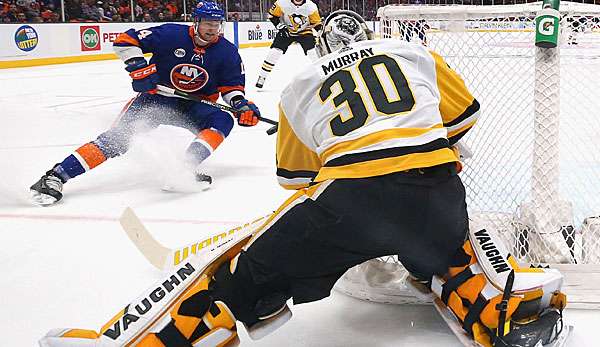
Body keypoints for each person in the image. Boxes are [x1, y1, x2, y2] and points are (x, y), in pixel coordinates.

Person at [40, 11, 568, 347]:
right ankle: (500, 311)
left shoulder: (301, 84)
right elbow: (462, 121)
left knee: (237, 275)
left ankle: (164, 337)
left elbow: (297, 178)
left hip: (349, 201)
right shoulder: (415, 53)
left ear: (320, 45)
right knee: (448, 257)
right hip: (437, 188)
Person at [29, 1, 261, 206]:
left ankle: (183, 168)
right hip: (155, 100)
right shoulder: (171, 34)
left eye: (217, 23)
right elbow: (125, 41)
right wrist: (138, 68)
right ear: (196, 22)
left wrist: (241, 106)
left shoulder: (228, 52)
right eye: (208, 23)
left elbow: (232, 88)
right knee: (117, 140)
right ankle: (56, 176)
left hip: (195, 105)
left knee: (222, 119)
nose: (213, 28)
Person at [255, 0, 322, 89]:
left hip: (305, 32)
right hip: (287, 31)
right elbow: (272, 16)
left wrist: (321, 32)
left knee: (313, 53)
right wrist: (280, 27)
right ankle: (262, 77)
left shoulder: (311, 6)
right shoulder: (282, 2)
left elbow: (316, 24)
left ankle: (322, 76)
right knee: (274, 52)